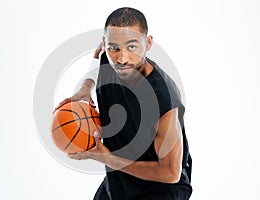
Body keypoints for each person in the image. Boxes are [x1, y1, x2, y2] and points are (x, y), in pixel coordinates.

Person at [54, 7, 192, 200]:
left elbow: (170, 173)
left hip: (160, 190)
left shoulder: (164, 100)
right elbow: (98, 56)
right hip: (121, 180)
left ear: (148, 43)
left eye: (132, 47)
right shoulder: (108, 59)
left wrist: (106, 158)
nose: (122, 58)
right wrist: (86, 86)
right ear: (105, 44)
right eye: (114, 47)